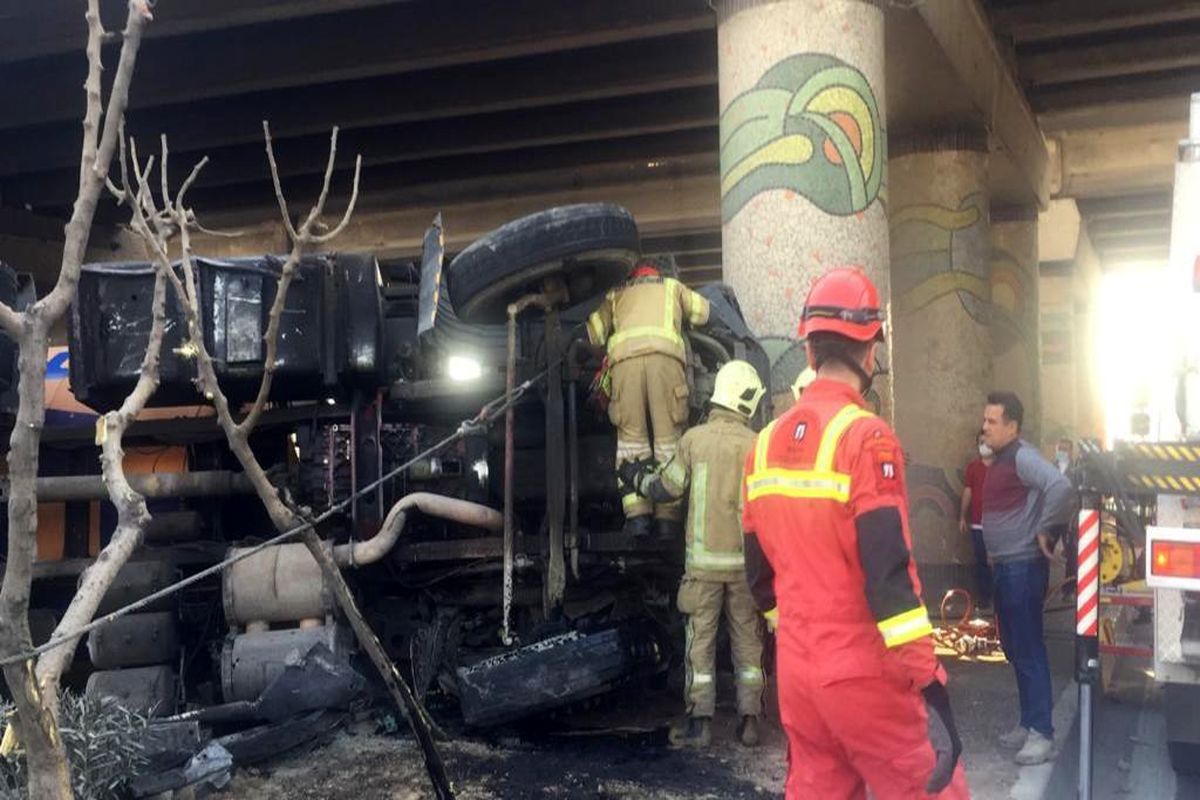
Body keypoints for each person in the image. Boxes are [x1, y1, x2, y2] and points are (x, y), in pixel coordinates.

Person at [742, 266, 969, 799]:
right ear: (871, 353)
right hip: (863, 673)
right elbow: (888, 576)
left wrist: (798, 632)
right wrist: (926, 672)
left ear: (809, 353)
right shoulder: (868, 438)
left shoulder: (765, 443)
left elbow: (758, 575)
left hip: (798, 675)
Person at [620, 360, 767, 749]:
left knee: (699, 643)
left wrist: (635, 476)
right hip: (743, 567)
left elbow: (666, 488)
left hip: (702, 568)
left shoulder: (693, 441)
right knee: (747, 645)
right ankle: (750, 720)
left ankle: (700, 726)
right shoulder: (757, 446)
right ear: (747, 402)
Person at [980, 391, 1074, 766]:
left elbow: (1061, 487)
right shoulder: (1001, 459)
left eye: (992, 421)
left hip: (1022, 567)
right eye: (984, 420)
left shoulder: (1022, 456)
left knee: (1029, 649)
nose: (984, 427)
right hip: (1005, 566)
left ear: (1012, 426)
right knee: (1014, 647)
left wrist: (1045, 528)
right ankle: (1028, 722)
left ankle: (1042, 734)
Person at [587, 254, 711, 538]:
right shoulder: (671, 287)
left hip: (624, 368)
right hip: (666, 365)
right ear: (660, 272)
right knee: (669, 440)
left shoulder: (615, 294)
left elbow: (593, 334)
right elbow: (703, 313)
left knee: (631, 441)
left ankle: (638, 519)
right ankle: (668, 520)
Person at [959, 431, 994, 609]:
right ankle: (984, 597)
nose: (983, 445)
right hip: (978, 523)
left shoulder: (1001, 467)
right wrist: (962, 517)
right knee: (981, 561)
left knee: (995, 561)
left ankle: (1000, 596)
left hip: (998, 525)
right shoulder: (973, 468)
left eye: (986, 441)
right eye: (980, 442)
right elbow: (968, 492)